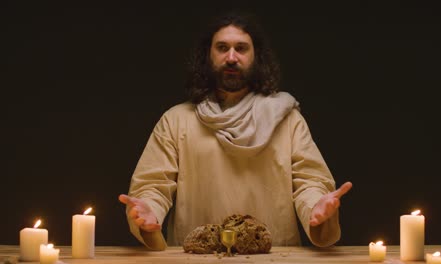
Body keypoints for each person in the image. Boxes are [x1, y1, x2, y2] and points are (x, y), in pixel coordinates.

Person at [119, 11, 352, 251]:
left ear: (256, 57)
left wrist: (316, 206)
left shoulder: (287, 119)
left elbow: (309, 182)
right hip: (199, 258)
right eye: (222, 48)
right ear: (207, 56)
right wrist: (149, 211)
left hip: (272, 257)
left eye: (241, 48)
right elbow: (153, 186)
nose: (231, 57)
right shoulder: (176, 120)